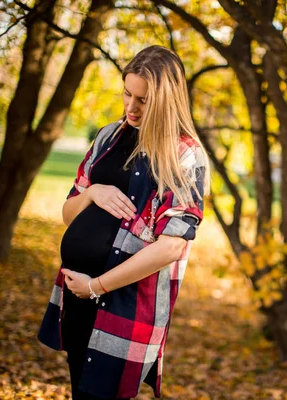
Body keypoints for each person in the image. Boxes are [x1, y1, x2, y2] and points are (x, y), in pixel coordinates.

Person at [37, 45, 210, 399]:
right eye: (127, 94)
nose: (130, 107)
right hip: (76, 293)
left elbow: (172, 246)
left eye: (143, 100)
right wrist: (93, 193)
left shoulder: (184, 156)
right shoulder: (107, 137)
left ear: (166, 100)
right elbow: (69, 214)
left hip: (124, 304)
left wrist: (97, 285)